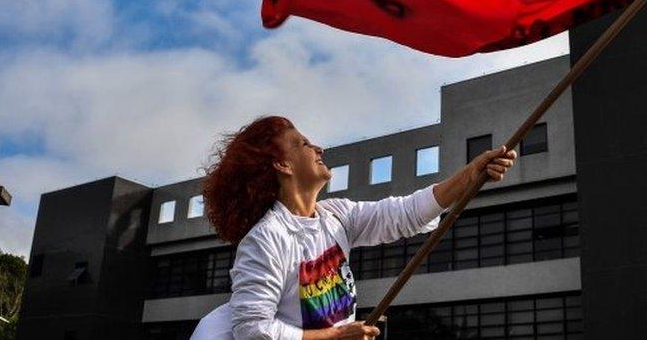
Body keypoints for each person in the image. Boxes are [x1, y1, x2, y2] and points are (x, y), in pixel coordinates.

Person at [191, 116, 517, 340]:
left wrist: (469, 177)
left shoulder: (337, 216)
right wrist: (332, 337)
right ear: (282, 164)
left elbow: (404, 213)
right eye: (302, 143)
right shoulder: (265, 240)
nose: (318, 148)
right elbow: (253, 329)